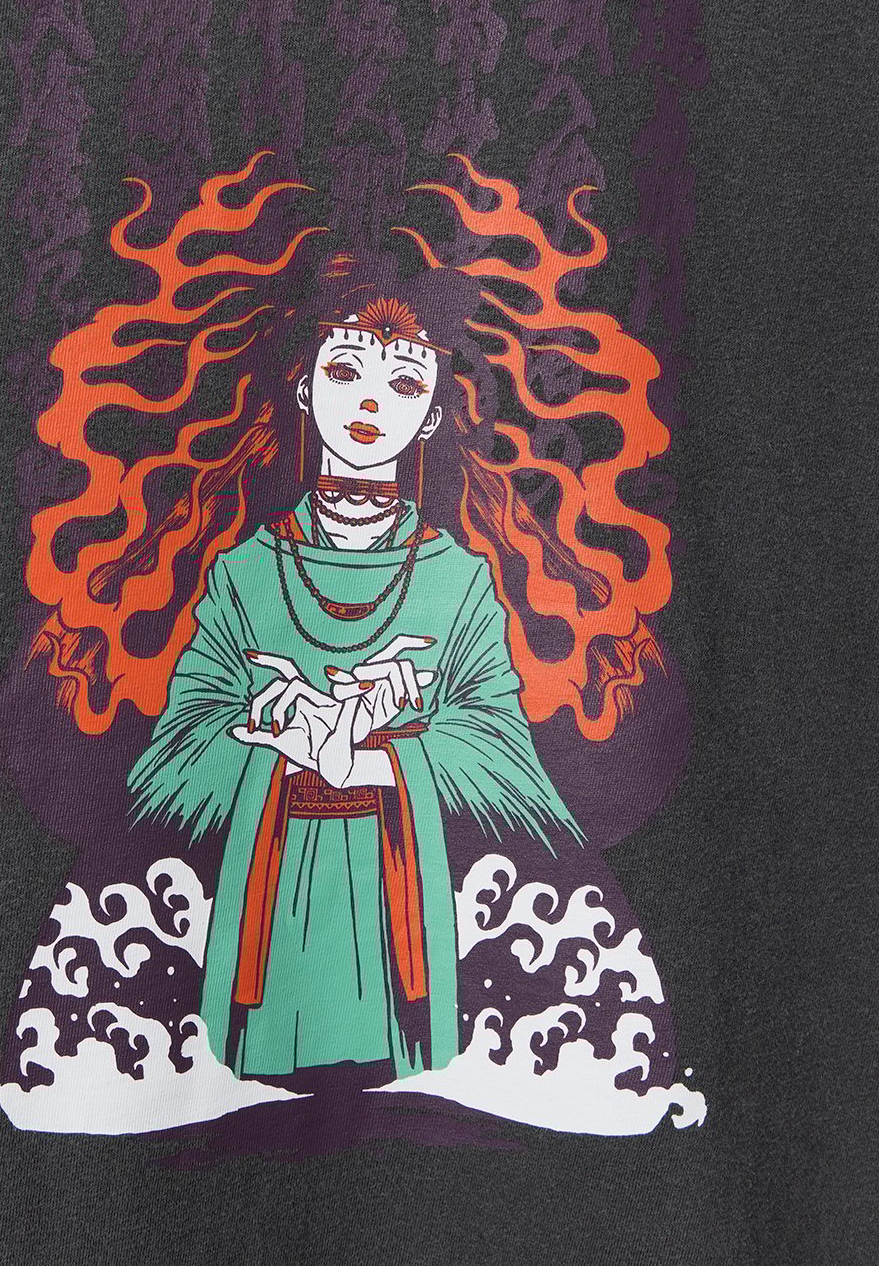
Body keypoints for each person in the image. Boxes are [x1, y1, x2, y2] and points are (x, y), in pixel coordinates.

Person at [126, 265, 586, 1085]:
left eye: (403, 383)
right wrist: (276, 724)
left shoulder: (457, 580)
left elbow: (503, 751)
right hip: (273, 876)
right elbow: (172, 757)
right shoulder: (246, 572)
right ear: (304, 389)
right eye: (345, 372)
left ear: (432, 414)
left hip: (396, 881)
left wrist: (381, 752)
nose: (370, 403)